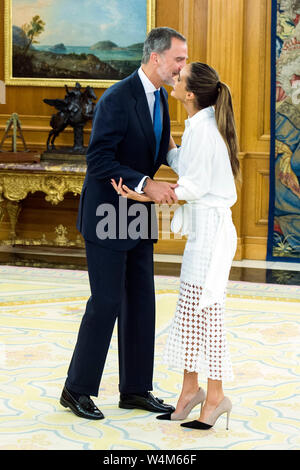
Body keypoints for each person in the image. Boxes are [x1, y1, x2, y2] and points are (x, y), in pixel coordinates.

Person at [59, 27, 188, 420]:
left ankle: (135, 390)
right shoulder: (117, 97)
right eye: (178, 59)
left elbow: (162, 149)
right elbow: (98, 160)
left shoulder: (162, 100)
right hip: (106, 214)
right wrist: (147, 182)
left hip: (137, 213)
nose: (182, 67)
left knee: (141, 304)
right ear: (156, 58)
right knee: (107, 303)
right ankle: (75, 390)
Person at [111, 62, 240, 430]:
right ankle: (190, 391)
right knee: (189, 312)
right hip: (202, 233)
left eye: (180, 78)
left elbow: (193, 188)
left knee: (208, 313)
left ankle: (216, 398)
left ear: (191, 93)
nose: (175, 77)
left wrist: (145, 196)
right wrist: (165, 141)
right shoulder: (199, 126)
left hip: (212, 235)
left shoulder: (205, 130)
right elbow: (187, 166)